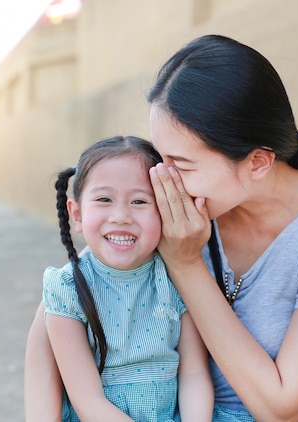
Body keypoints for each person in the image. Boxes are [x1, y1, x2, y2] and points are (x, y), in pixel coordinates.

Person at [24, 35, 298, 421]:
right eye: (160, 159)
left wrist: (185, 263)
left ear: (258, 162)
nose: (162, 178)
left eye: (180, 164)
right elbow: (62, 303)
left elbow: (283, 409)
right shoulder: (172, 206)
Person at [35, 135, 213, 421]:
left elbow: (194, 374)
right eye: (104, 199)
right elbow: (88, 400)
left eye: (140, 201)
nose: (121, 216)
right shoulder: (67, 289)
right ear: (77, 214)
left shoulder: (177, 277)